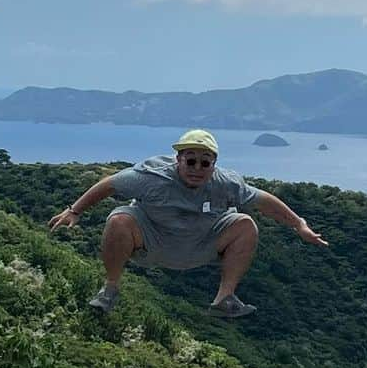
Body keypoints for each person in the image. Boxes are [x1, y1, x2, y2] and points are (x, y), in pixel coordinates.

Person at [47, 128, 328, 317]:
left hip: (200, 246)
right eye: (190, 161)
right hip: (151, 242)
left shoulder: (225, 183)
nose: (197, 168)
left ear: (213, 165)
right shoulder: (152, 176)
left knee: (245, 224)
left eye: (205, 163)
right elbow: (109, 184)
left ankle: (224, 299)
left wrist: (298, 224)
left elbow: (263, 200)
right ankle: (109, 289)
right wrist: (75, 211)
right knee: (119, 219)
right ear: (178, 159)